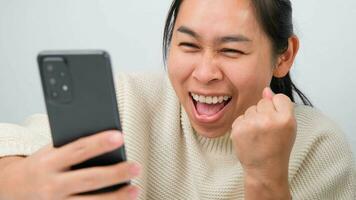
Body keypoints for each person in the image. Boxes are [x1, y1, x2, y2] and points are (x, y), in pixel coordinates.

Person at [0, 0, 355, 199]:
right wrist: (22, 180)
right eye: (188, 45)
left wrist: (266, 177)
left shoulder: (319, 147)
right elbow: (11, 144)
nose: (204, 73)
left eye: (230, 50)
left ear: (284, 56)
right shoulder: (128, 99)